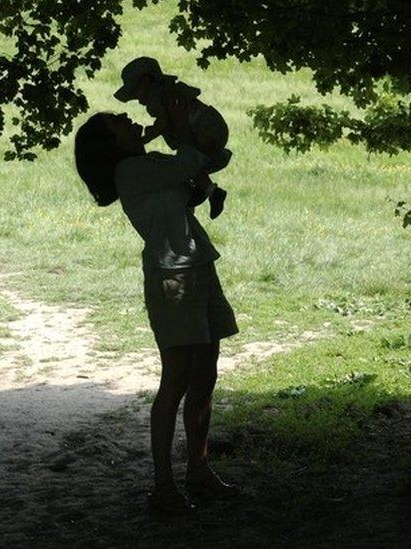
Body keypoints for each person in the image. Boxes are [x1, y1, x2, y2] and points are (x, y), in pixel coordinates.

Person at [74, 112, 242, 514]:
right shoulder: (132, 170)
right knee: (178, 379)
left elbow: (203, 169)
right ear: (111, 144)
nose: (131, 120)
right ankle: (163, 486)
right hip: (173, 280)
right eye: (120, 122)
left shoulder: (147, 166)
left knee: (205, 374)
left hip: (197, 268)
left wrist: (199, 153)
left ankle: (197, 469)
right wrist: (177, 126)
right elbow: (191, 162)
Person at [114, 56, 232, 220]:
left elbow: (163, 123)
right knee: (191, 161)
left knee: (189, 161)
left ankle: (208, 189)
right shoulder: (167, 94)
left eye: (136, 93)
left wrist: (143, 140)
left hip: (205, 128)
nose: (138, 99)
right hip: (211, 127)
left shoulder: (161, 99)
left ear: (147, 82)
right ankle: (207, 189)